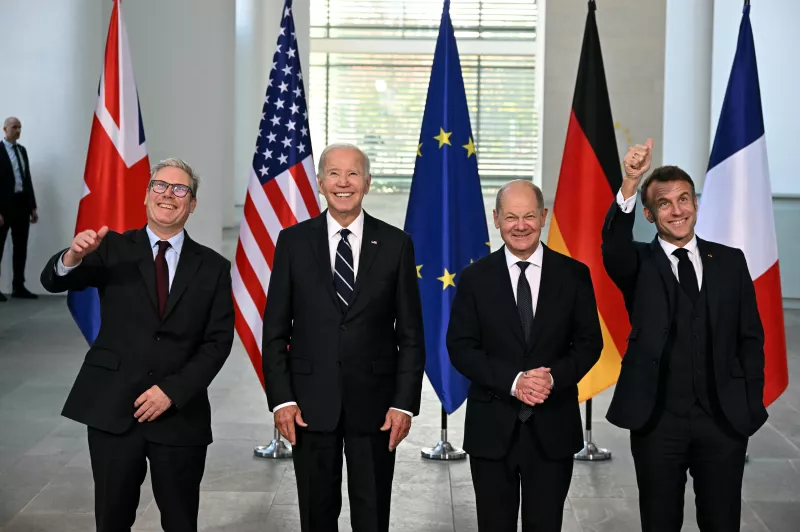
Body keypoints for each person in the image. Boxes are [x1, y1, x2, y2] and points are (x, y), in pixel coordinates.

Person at [40, 158, 235, 532]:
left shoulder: (213, 267)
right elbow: (54, 280)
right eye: (160, 186)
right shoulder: (111, 248)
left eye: (181, 189)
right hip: (114, 409)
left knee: (180, 521)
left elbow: (217, 342)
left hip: (179, 416)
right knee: (112, 519)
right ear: (147, 195)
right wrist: (72, 257)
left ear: (192, 204)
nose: (168, 195)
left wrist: (171, 392)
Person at [602, 139, 768, 531]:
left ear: (695, 203)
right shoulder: (637, 264)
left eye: (684, 199)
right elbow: (612, 245)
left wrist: (746, 400)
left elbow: (750, 337)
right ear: (648, 213)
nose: (677, 210)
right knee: (660, 523)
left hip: (723, 420)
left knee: (722, 521)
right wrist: (630, 181)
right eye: (664, 203)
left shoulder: (730, 260)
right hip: (657, 421)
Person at [262, 143, 425, 532]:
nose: (343, 182)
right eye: (334, 173)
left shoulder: (395, 244)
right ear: (320, 183)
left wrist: (404, 405)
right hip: (308, 405)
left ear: (367, 183)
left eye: (353, 174)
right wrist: (282, 400)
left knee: (372, 516)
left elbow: (412, 335)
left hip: (376, 406)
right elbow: (274, 330)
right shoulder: (293, 242)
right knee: (317, 515)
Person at [447, 180, 603, 532]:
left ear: (544, 216)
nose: (520, 225)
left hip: (554, 428)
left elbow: (589, 343)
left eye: (529, 216)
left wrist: (553, 377)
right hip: (491, 429)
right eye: (511, 217)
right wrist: (514, 382)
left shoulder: (574, 275)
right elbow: (461, 347)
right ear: (496, 219)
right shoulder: (475, 278)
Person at [0, 116, 38, 300]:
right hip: (4, 206)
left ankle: (18, 286)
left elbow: (27, 179)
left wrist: (33, 207)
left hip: (22, 205)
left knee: (20, 247)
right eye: (14, 127)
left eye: (20, 127)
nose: (18, 130)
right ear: (4, 129)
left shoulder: (22, 151)